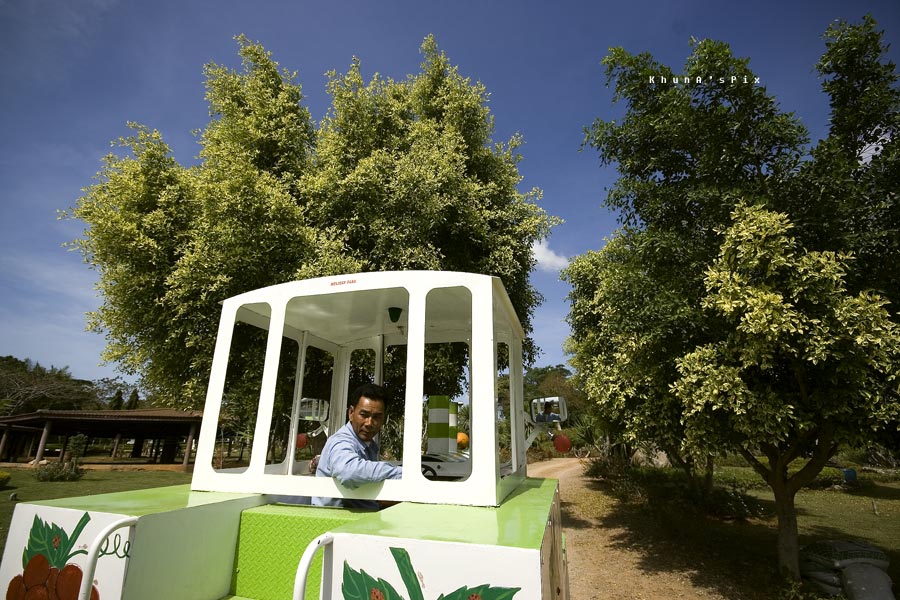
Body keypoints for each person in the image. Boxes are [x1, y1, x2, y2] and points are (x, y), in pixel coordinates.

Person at [312, 383, 402, 509]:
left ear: (383, 420)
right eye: (364, 415)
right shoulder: (342, 441)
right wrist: (400, 474)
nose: (369, 423)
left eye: (376, 417)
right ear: (351, 413)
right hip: (335, 518)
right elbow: (348, 472)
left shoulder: (369, 445)